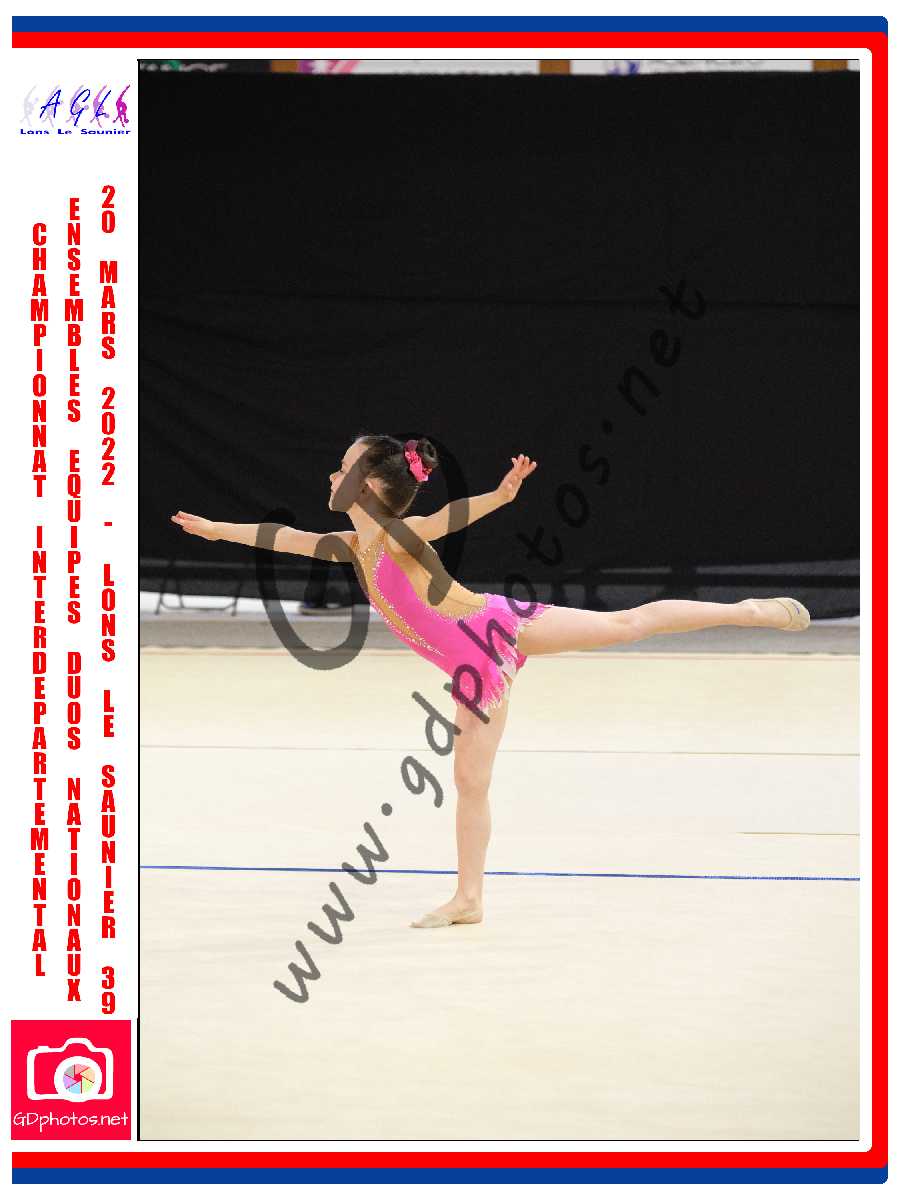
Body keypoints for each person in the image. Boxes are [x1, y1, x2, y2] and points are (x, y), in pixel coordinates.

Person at [171, 433, 809, 929]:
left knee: (624, 625)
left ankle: (748, 611)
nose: (331, 477)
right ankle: (469, 898)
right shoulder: (353, 546)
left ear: (366, 487)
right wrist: (214, 529)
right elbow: (282, 538)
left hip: (492, 633)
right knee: (470, 781)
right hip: (475, 656)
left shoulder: (398, 537)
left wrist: (501, 497)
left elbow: (446, 519)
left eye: (341, 470)